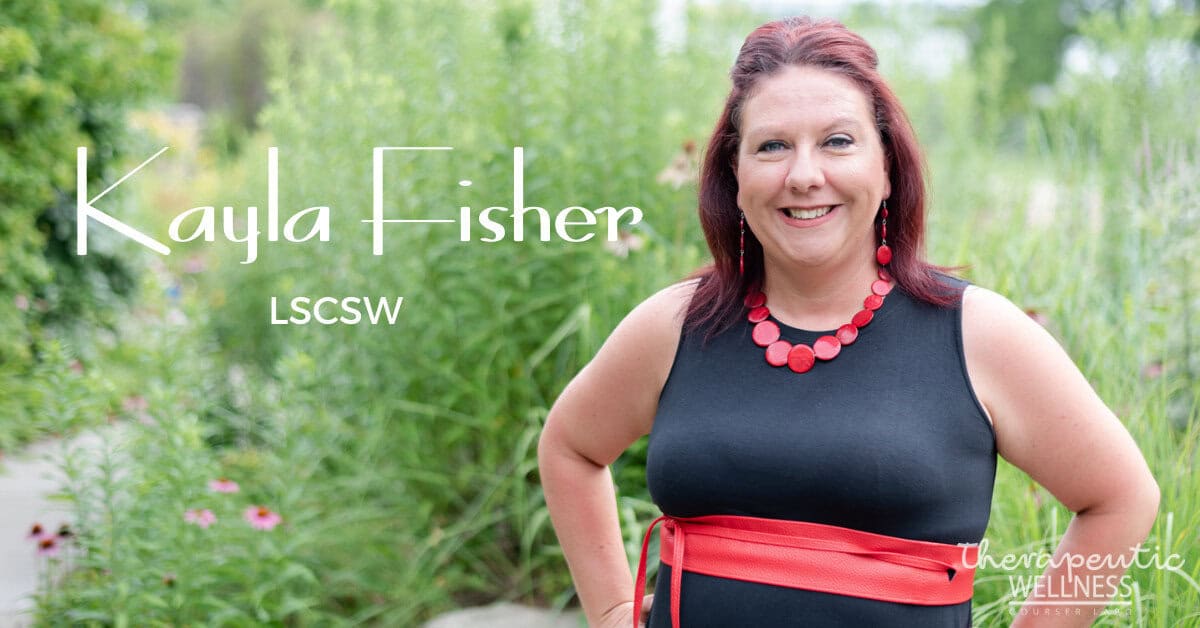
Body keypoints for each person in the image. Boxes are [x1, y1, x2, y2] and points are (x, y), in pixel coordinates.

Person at [537, 15, 1159, 628]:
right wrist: (613, 610)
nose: (804, 176)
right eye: (772, 146)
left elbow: (1121, 499)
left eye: (837, 141)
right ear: (735, 174)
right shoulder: (675, 326)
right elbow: (569, 446)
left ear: (886, 167)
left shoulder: (978, 334)